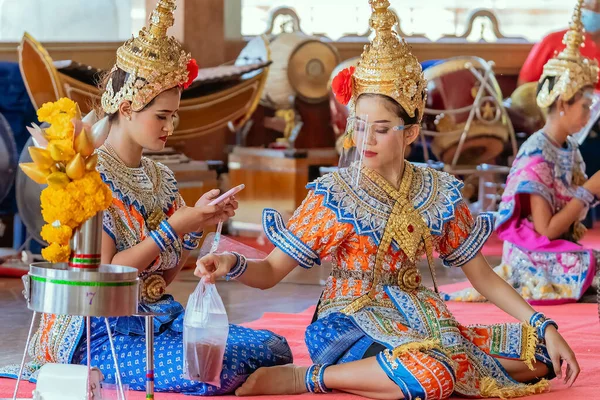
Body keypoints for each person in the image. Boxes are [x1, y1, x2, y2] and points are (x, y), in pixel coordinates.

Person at [194, 1, 580, 399]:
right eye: (359, 127)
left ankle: (408, 369)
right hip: (349, 322)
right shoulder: (337, 194)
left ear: (411, 132)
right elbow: (272, 271)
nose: (365, 140)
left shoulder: (438, 190)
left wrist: (542, 325)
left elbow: (481, 276)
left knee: (541, 357)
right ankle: (308, 377)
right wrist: (231, 262)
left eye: (380, 129)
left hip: (419, 318)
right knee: (435, 375)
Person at [0, 0, 292, 395]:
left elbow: (160, 281)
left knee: (270, 347)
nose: (170, 126)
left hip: (154, 318)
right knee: (212, 367)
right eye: (161, 116)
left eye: (174, 115)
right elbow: (104, 277)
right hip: (99, 333)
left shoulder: (162, 177)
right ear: (126, 107)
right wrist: (175, 226)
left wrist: (195, 227)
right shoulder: (88, 173)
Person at [445, 0, 600, 305]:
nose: (590, 112)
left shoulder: (567, 147)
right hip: (532, 257)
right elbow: (545, 230)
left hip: (557, 249)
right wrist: (587, 192)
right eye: (585, 106)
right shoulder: (537, 155)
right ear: (562, 104)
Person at [518, 0, 600, 89]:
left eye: (598, 9)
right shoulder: (552, 40)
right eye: (590, 8)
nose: (594, 13)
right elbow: (524, 87)